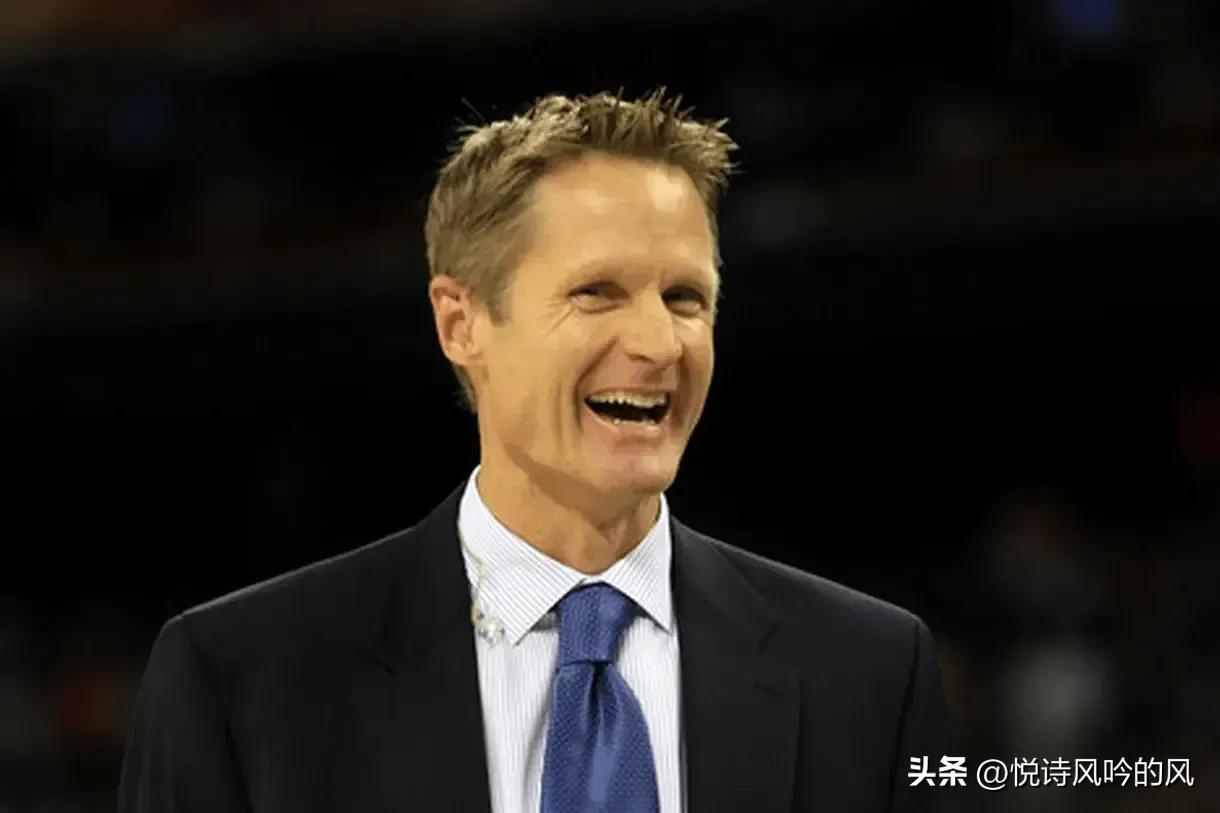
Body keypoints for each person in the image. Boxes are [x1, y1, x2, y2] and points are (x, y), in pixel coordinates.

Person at [118, 88, 965, 812]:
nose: (658, 342)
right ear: (462, 322)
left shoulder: (871, 673)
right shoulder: (240, 681)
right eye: (597, 292)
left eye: (684, 297)